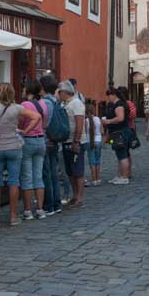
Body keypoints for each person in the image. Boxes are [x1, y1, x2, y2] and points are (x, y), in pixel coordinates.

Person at [0, 83, 41, 226]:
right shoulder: (17, 108)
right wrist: (25, 131)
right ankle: (13, 216)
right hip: (14, 147)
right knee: (14, 182)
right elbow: (37, 117)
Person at [19, 80, 48, 220]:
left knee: (27, 177)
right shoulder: (43, 104)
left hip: (28, 140)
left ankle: (27, 210)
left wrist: (23, 130)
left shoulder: (25, 105)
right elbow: (45, 123)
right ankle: (40, 209)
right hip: (41, 140)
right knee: (38, 176)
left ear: (28, 90)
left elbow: (21, 122)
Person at [57, 80, 87, 208]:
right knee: (70, 171)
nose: (58, 94)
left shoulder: (76, 103)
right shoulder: (64, 103)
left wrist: (76, 141)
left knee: (77, 171)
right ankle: (75, 196)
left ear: (64, 92)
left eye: (59, 92)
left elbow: (79, 123)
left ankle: (79, 197)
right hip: (66, 140)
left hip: (76, 141)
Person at [39, 74, 64, 215]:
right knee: (54, 174)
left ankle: (50, 204)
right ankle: (57, 203)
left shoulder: (46, 102)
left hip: (47, 141)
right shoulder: (56, 100)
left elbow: (45, 124)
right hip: (55, 141)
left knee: (47, 174)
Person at [101, 87, 131, 185]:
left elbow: (120, 118)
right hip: (116, 132)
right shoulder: (114, 104)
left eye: (109, 95)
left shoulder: (119, 105)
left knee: (123, 155)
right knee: (119, 154)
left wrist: (108, 121)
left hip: (120, 132)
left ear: (114, 95)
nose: (108, 98)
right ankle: (120, 175)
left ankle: (124, 177)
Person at [84, 102, 103, 187]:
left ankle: (94, 179)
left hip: (89, 141)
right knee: (97, 161)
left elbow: (84, 132)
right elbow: (102, 131)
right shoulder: (98, 119)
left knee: (92, 161)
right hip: (98, 141)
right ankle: (98, 179)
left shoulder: (86, 121)